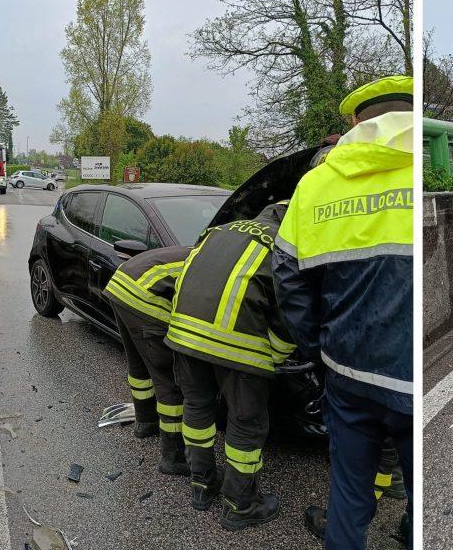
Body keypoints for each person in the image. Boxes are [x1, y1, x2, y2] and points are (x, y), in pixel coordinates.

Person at [272, 75, 414, 549]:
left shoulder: (317, 184)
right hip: (410, 379)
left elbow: (288, 279)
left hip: (347, 373)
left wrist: (321, 349)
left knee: (349, 496)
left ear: (355, 122)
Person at [164, 204, 296, 531]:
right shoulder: (285, 242)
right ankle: (241, 504)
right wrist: (279, 354)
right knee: (246, 423)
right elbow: (288, 305)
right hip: (238, 346)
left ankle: (201, 484)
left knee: (197, 407)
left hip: (184, 334)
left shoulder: (219, 230)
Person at [103, 245, 191, 477]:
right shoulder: (215, 266)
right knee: (168, 377)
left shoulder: (201, 251)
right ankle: (174, 457)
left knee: (139, 366)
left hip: (120, 285)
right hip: (142, 293)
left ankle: (145, 422)